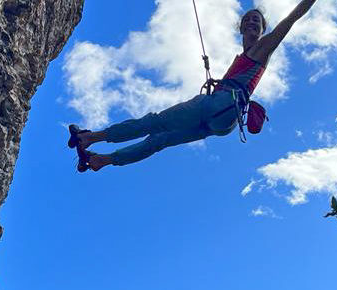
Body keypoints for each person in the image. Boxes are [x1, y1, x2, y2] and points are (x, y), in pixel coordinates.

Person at [67, 0, 318, 172]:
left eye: (257, 22)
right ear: (241, 27)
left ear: (264, 31)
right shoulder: (241, 58)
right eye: (249, 20)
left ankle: (90, 138)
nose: (252, 23)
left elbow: (293, 17)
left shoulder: (264, 48)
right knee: (159, 140)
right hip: (222, 120)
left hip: (221, 106)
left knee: (154, 122)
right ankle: (103, 161)